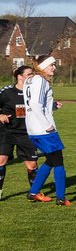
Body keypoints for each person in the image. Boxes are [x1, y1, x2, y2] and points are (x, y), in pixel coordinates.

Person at [23, 56, 71, 205]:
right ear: (43, 66)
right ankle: (61, 198)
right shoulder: (40, 80)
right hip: (43, 129)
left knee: (50, 160)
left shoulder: (30, 80)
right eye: (52, 65)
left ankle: (33, 192)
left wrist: (52, 106)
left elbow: (35, 103)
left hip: (32, 128)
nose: (54, 67)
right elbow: (36, 104)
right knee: (58, 162)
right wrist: (47, 125)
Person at [0, 66, 39, 199]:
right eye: (29, 74)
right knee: (1, 160)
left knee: (32, 165)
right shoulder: (6, 92)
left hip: (27, 133)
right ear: (20, 76)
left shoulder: (34, 92)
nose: (32, 76)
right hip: (7, 132)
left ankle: (35, 192)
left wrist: (53, 105)